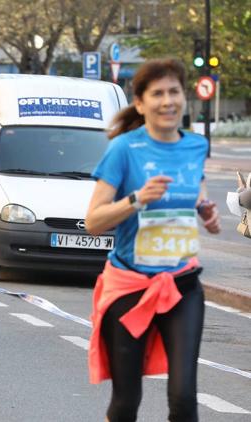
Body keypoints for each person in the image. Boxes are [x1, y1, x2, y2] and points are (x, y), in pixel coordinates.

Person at [85, 58, 221, 422]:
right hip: (130, 286)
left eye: (174, 92)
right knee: (127, 400)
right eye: (157, 94)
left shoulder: (195, 146)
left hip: (181, 285)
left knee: (183, 396)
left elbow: (195, 191)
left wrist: (205, 210)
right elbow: (93, 221)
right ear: (141, 103)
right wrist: (136, 199)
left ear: (184, 98)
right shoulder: (123, 150)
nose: (167, 101)